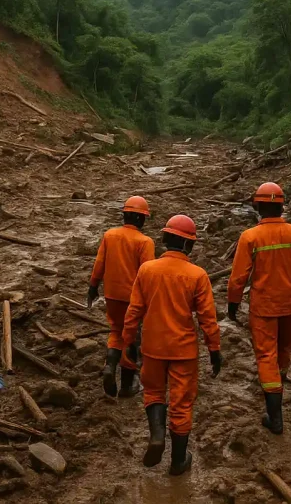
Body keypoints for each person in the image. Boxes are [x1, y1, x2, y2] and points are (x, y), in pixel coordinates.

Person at [123, 215, 221, 476]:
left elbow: (134, 311)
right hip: (183, 350)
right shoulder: (198, 275)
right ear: (189, 245)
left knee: (154, 392)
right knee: (181, 404)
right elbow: (208, 319)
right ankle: (178, 461)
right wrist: (214, 350)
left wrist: (128, 340)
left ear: (165, 239)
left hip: (153, 347)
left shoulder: (147, 270)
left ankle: (157, 435)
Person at [227, 182, 291, 435]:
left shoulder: (250, 237)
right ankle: (278, 386)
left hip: (264, 308)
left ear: (258, 207)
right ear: (281, 206)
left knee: (266, 356)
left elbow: (238, 278)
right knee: (284, 350)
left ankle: (275, 416)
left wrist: (233, 304)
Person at [88, 196, 156, 398]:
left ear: (124, 215)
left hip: (111, 295)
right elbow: (148, 274)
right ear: (141, 219)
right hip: (133, 299)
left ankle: (110, 364)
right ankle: (127, 385)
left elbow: (99, 264)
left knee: (116, 331)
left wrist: (93, 287)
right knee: (131, 338)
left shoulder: (110, 235)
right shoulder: (145, 242)